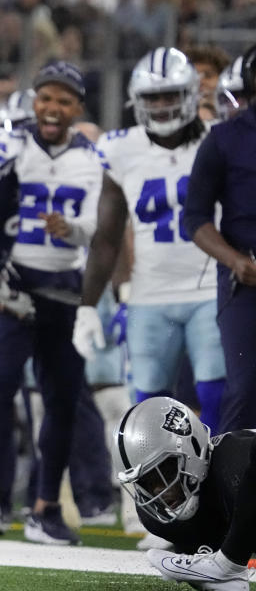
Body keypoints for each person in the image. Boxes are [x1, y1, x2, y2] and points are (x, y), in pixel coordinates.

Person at [0, 60, 104, 545]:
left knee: (61, 400)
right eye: (46, 97)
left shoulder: (91, 157)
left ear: (78, 108)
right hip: (10, 287)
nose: (53, 108)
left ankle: (46, 507)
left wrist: (75, 229)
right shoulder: (9, 143)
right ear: (34, 99)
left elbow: (100, 227)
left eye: (64, 100)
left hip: (63, 285)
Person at [73, 47, 225, 432]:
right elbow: (107, 236)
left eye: (170, 95)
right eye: (151, 97)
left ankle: (225, 488)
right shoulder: (120, 148)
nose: (160, 105)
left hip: (211, 288)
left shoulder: (218, 140)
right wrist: (87, 305)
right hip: (149, 295)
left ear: (190, 94)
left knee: (217, 398)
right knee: (148, 412)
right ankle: (164, 492)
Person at [182, 43, 256, 434]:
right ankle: (233, 492)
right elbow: (194, 216)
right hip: (246, 280)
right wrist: (234, 260)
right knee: (244, 391)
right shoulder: (224, 138)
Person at [113, 396, 255, 591]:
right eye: (146, 482)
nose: (156, 490)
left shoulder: (234, 466)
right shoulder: (160, 521)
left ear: (194, 448)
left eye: (164, 470)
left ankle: (228, 564)